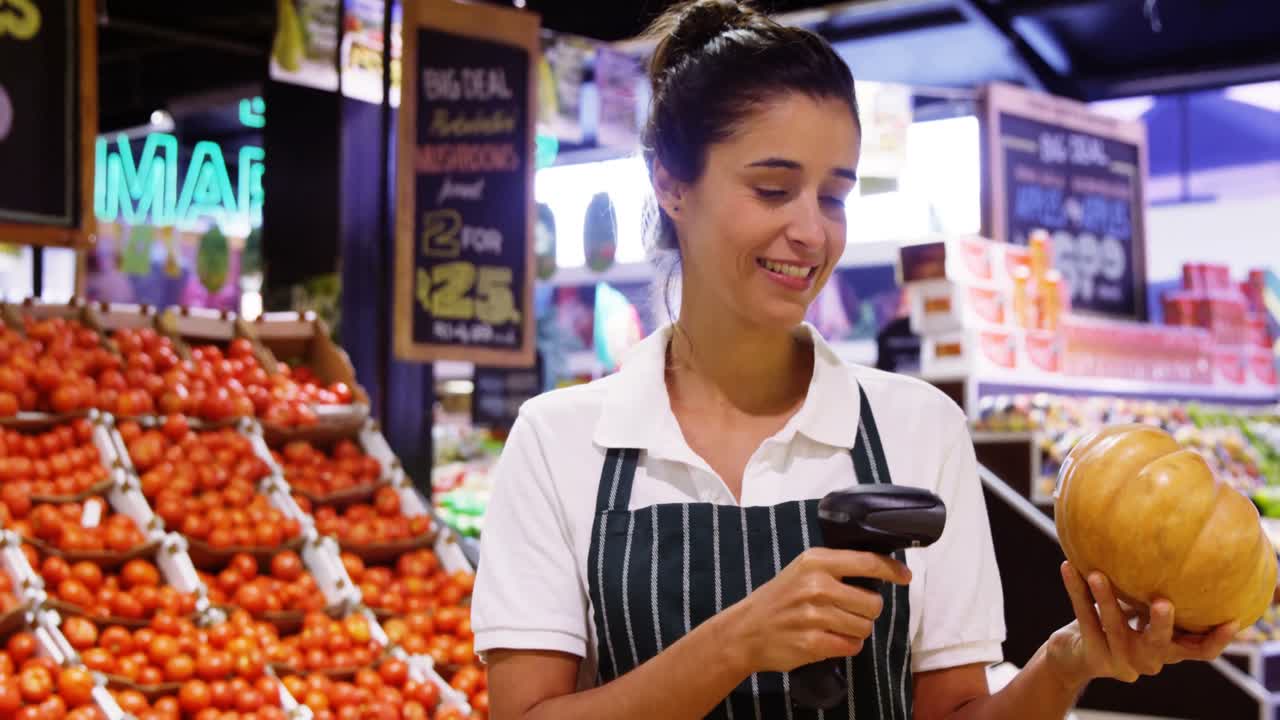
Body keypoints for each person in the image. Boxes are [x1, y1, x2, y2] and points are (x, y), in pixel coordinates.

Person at [471, 2, 1239, 718]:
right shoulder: (559, 441)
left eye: (833, 196)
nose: (812, 232)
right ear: (671, 184)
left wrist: (1070, 662)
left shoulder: (918, 428)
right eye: (773, 189)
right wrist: (738, 643)